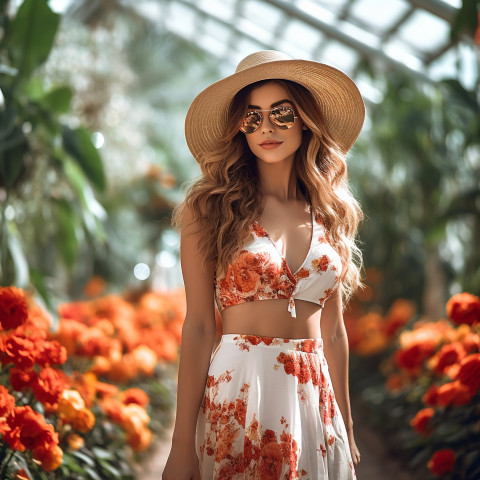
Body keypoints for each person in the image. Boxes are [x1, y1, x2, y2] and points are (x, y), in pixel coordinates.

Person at [163, 50, 365, 479]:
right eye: (252, 117)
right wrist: (182, 446)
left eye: (281, 113)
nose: (267, 128)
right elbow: (198, 326)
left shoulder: (330, 211)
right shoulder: (209, 208)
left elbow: (332, 331)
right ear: (240, 127)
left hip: (313, 395)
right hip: (240, 389)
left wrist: (346, 424)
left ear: (306, 119)